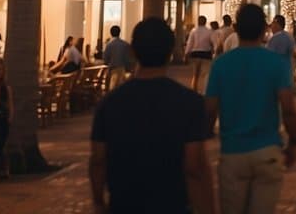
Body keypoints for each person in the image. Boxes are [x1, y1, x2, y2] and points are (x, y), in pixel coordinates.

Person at [91, 17, 215, 214]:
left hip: (124, 204)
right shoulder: (189, 103)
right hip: (173, 204)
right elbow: (194, 166)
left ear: (133, 51)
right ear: (169, 52)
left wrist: (98, 201)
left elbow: (98, 159)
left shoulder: (109, 104)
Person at [204, 5, 296, 214]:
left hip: (232, 153)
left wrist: (204, 140)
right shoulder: (276, 63)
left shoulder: (221, 64)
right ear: (263, 30)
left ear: (237, 29)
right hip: (267, 152)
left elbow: (209, 110)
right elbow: (289, 108)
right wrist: (293, 142)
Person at [185, 16, 215, 92]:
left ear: (198, 21)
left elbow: (190, 43)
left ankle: (194, 91)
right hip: (206, 54)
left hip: (195, 54)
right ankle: (204, 91)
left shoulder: (193, 31)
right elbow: (213, 42)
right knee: (205, 75)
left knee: (195, 75)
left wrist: (186, 53)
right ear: (205, 22)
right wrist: (213, 50)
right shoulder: (209, 31)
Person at [103, 25, 134, 90]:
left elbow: (105, 59)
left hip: (112, 70)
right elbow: (128, 59)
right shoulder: (125, 44)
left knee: (112, 90)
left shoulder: (109, 45)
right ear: (119, 32)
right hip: (122, 70)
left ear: (110, 33)